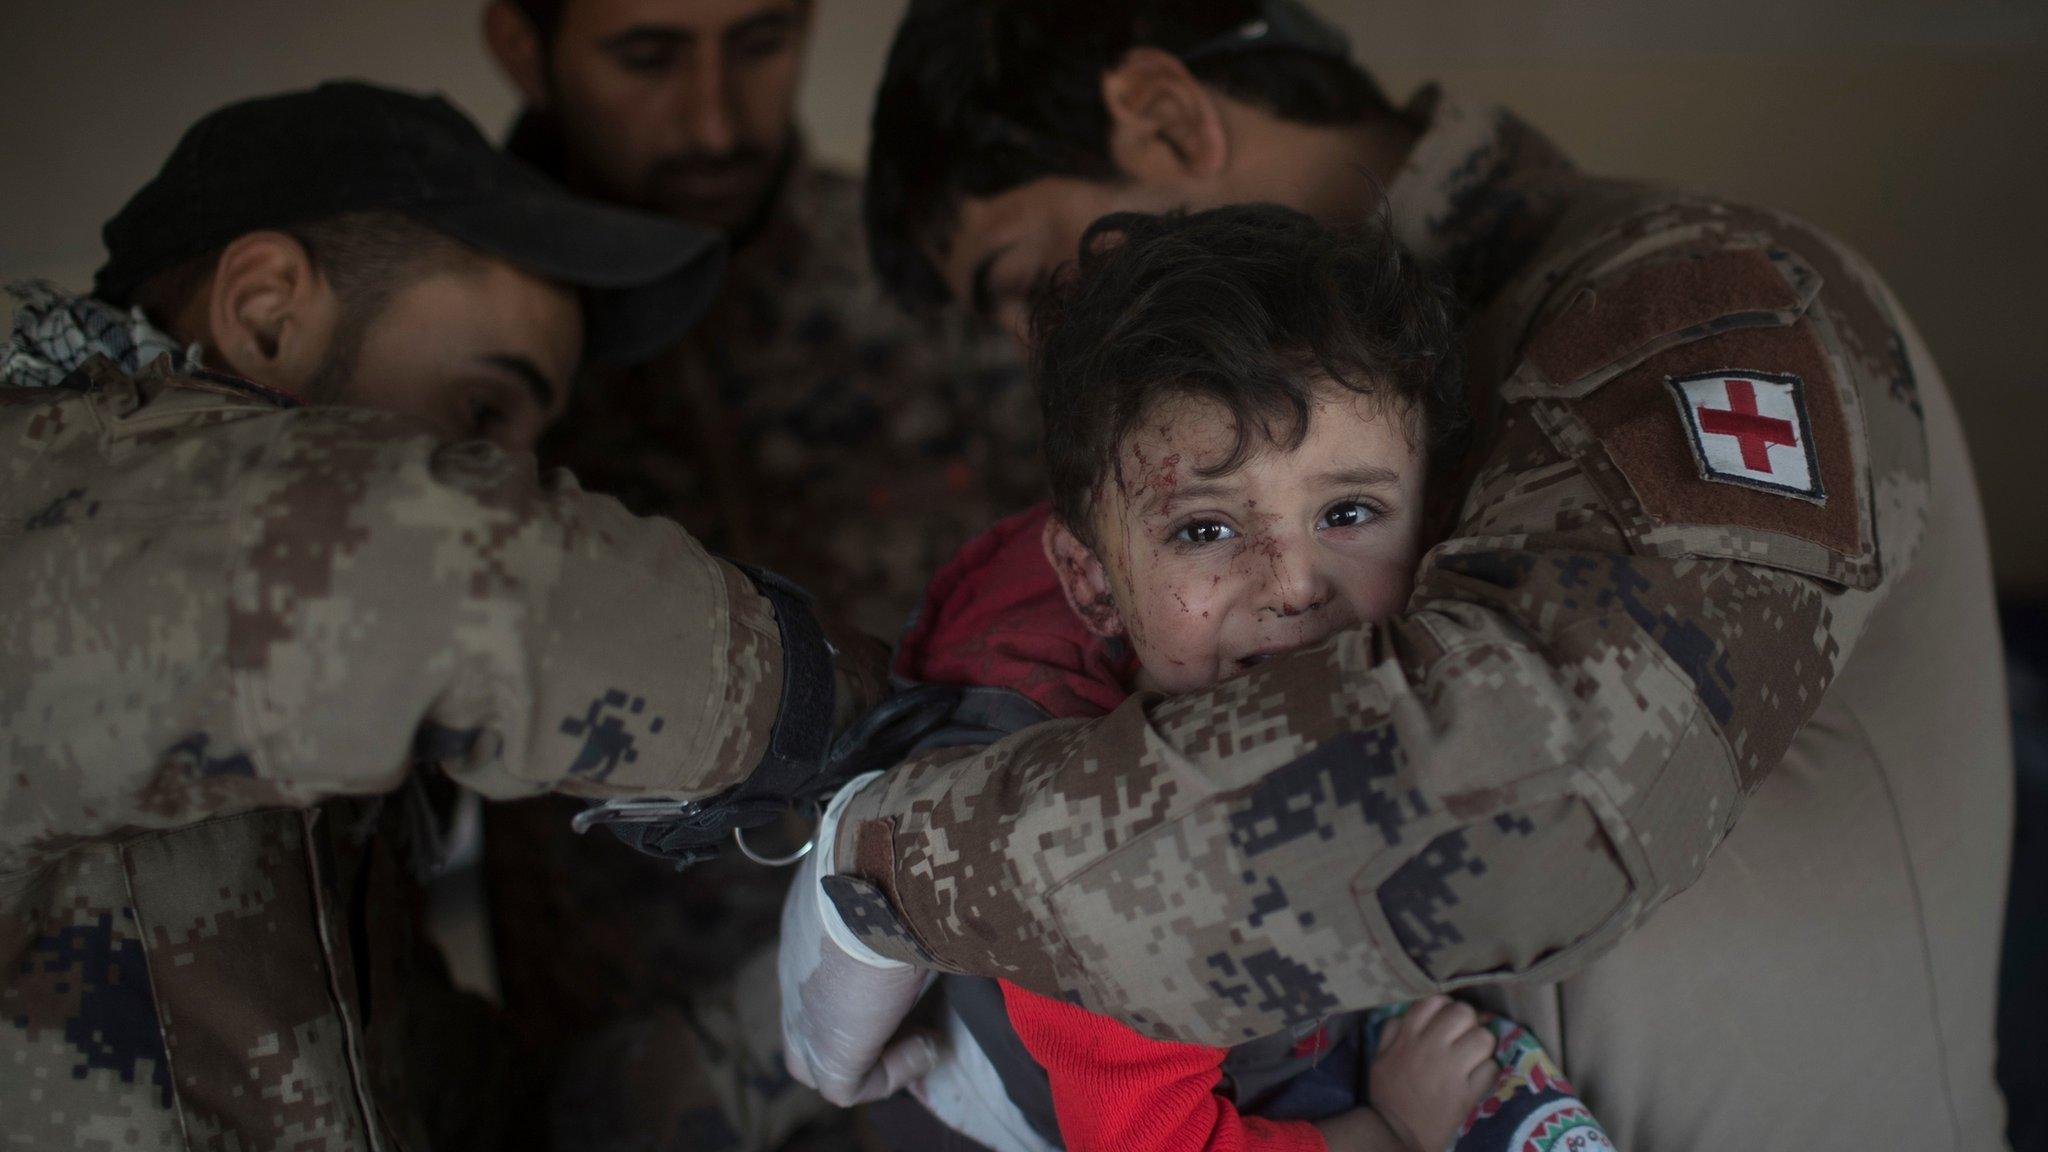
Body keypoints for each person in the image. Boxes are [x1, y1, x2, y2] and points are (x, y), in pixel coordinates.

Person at [772, 2, 2012, 1147]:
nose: (1032, 355)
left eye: (1028, 282)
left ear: (1161, 119)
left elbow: (1540, 796)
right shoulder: (1272, 442)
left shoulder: (1695, 302)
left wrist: (909, 856)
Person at [0, 81, 900, 1152]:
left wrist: (826, 1000)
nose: (517, 480)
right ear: (267, 315)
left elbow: (488, 1120)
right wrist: (879, 724)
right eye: (479, 413)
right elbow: (446, 561)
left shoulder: (284, 737)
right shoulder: (55, 514)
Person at [880, 205, 1615, 1152]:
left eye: (1348, 512)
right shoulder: (1092, 867)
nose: (1295, 584)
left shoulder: (1438, 677)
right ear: (1094, 585)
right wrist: (1389, 1132)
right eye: (1206, 530)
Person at [475, 1, 1036, 1096]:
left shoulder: (929, 272)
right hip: (641, 1071)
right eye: (647, 55)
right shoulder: (459, 325)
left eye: (760, 42)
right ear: (519, 45)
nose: (715, 119)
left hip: (958, 1033)